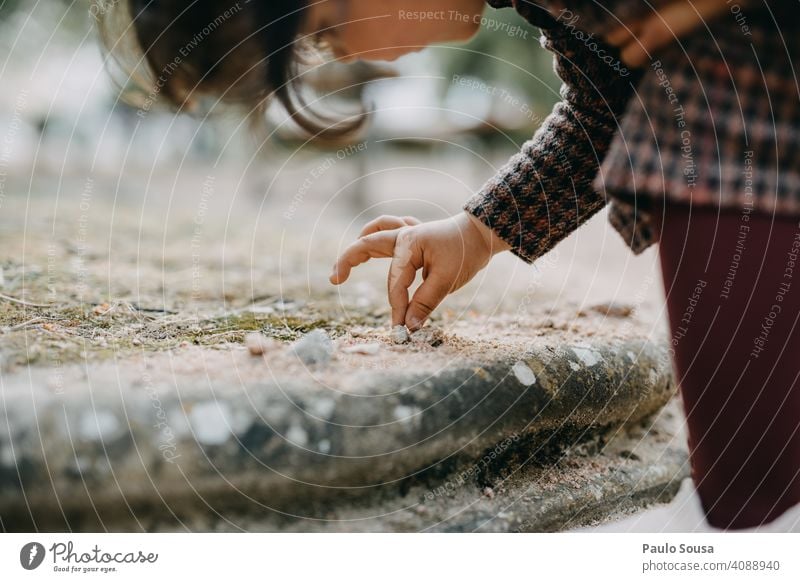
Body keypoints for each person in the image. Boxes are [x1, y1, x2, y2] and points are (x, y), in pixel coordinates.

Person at [100, 0, 800, 529]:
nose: (346, 52)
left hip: (750, 120)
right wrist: (479, 231)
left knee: (753, 501)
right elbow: (609, 99)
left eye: (324, 31)